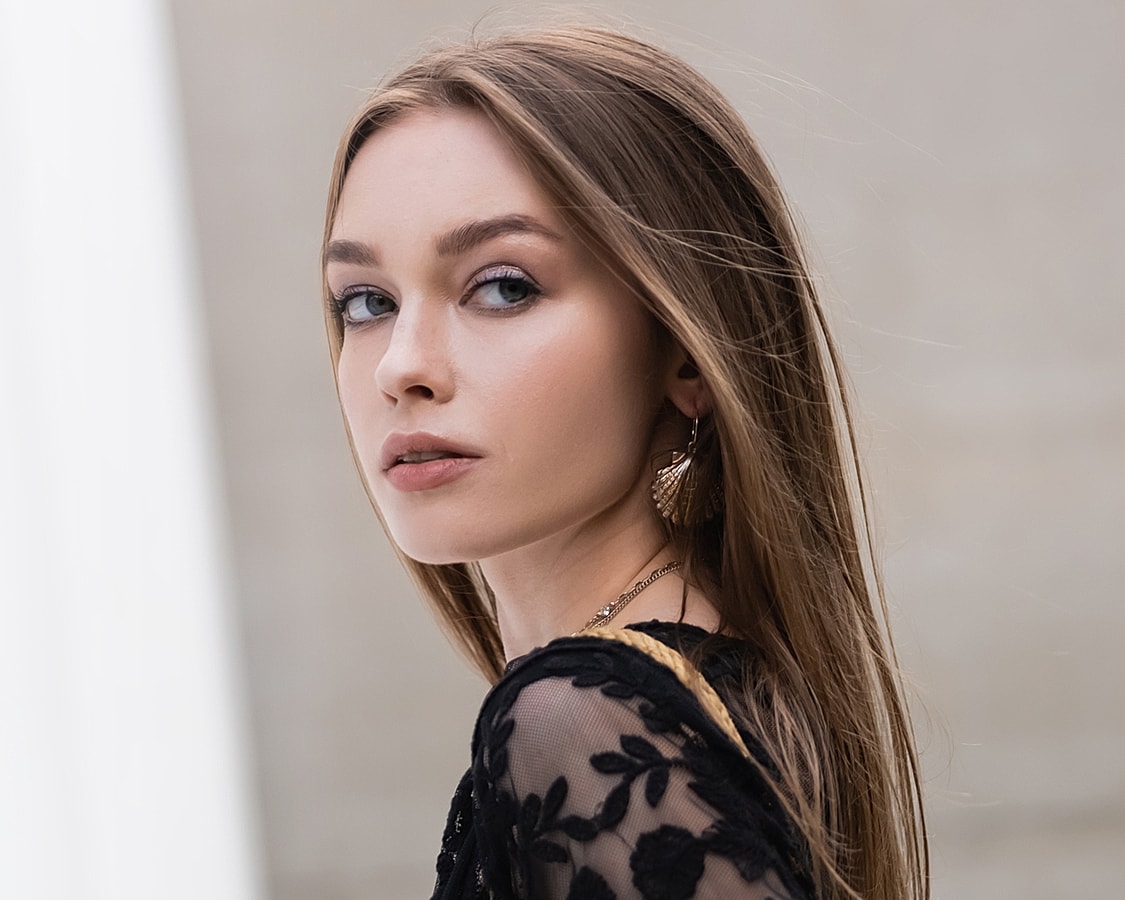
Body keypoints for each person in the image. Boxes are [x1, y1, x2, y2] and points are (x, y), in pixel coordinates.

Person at [320, 25, 928, 900]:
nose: (400, 366)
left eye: (503, 287)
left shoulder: (582, 722)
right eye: (364, 302)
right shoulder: (710, 693)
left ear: (684, 351)